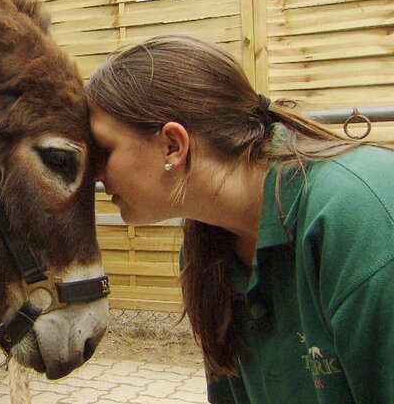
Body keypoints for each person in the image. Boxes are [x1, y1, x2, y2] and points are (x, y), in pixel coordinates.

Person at [85, 35, 393, 404]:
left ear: (173, 145)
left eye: (102, 150)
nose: (94, 174)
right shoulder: (205, 254)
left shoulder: (358, 217)